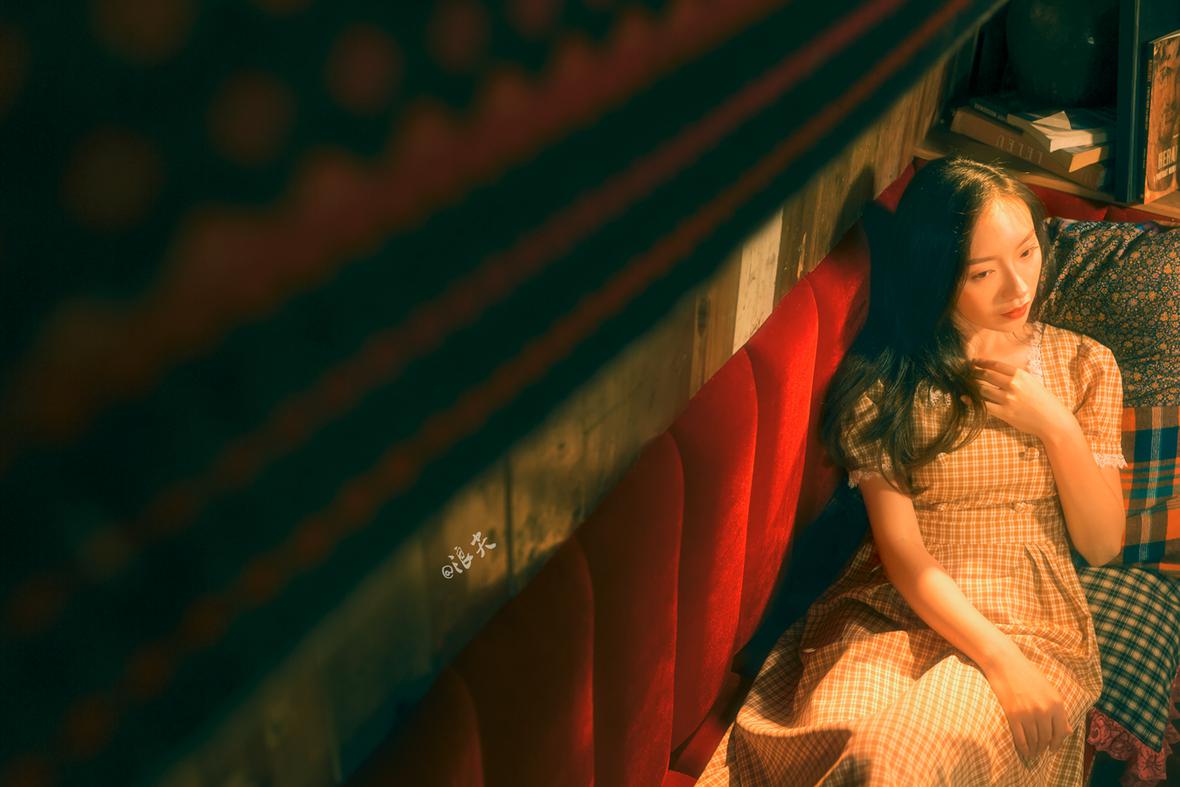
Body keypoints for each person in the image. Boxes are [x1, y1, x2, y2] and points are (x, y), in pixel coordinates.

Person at [697, 155, 1127, 786]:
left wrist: (1056, 426)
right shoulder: (887, 383)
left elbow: (1103, 543)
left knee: (906, 756)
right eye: (982, 272)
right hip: (895, 612)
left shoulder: (1084, 365)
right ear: (936, 272)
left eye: (1027, 252)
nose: (1017, 288)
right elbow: (903, 554)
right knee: (873, 757)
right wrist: (998, 658)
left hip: (1031, 621)